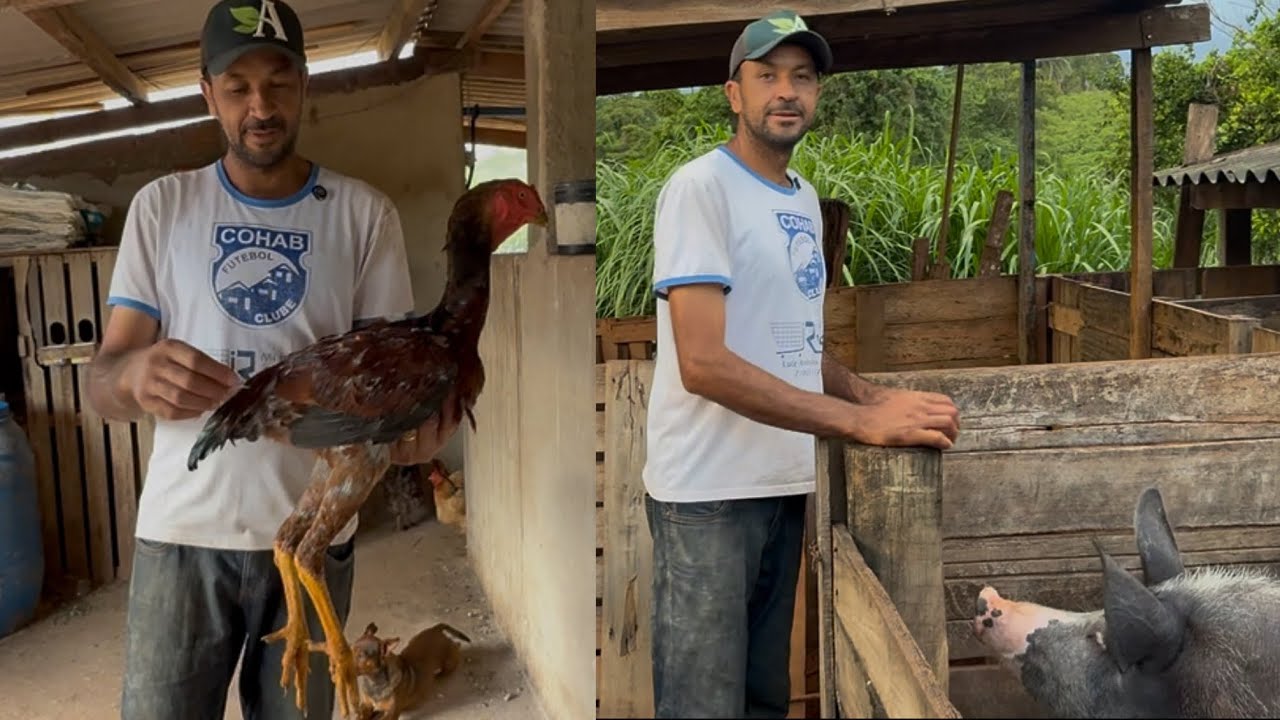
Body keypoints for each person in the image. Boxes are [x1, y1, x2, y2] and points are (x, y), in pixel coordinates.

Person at [85, 1, 457, 718]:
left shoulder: (361, 213)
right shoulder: (163, 208)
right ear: (207, 94)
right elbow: (103, 382)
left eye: (279, 84)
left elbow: (388, 385)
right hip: (182, 536)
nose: (261, 106)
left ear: (305, 87)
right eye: (238, 87)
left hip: (315, 537)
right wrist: (132, 375)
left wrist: (418, 434)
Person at [643, 10, 962, 718]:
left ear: (816, 94)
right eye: (767, 76)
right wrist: (857, 423)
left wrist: (871, 396)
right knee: (703, 705)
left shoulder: (802, 199)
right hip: (707, 498)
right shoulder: (702, 188)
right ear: (734, 93)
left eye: (802, 78)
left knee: (763, 698)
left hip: (783, 484)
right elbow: (703, 362)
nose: (786, 92)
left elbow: (792, 344)